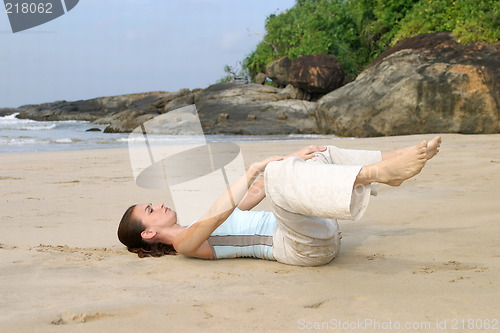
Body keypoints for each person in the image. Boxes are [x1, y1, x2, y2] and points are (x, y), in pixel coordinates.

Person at [118, 136, 442, 266]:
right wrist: (254, 171)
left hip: (309, 227)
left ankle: (393, 162)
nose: (159, 204)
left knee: (318, 152)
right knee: (277, 176)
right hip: (300, 247)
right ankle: (376, 173)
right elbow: (219, 214)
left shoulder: (194, 225)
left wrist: (294, 158)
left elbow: (254, 194)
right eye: (150, 210)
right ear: (148, 233)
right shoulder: (187, 245)